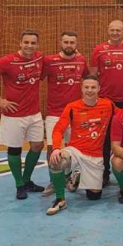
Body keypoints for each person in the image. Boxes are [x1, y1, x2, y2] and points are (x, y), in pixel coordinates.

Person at [0, 29, 45, 200]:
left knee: (38, 146)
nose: (29, 46)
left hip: (35, 113)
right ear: (20, 43)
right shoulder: (7, 61)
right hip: (14, 115)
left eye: (33, 43)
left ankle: (27, 180)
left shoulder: (39, 58)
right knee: (15, 149)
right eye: (26, 42)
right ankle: (19, 184)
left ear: (37, 45)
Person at [45, 76, 116, 215]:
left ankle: (76, 175)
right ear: (82, 89)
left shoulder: (108, 105)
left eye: (93, 87)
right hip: (75, 150)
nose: (90, 90)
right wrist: (56, 148)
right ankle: (60, 199)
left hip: (95, 155)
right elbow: (58, 129)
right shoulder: (72, 107)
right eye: (86, 87)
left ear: (99, 89)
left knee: (94, 196)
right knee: (57, 161)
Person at [90, 20, 123, 186]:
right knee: (104, 140)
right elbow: (93, 77)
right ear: (108, 31)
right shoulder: (99, 50)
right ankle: (104, 173)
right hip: (106, 102)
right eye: (113, 30)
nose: (115, 33)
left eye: (118, 30)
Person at [40, 31, 88, 196]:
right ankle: (54, 181)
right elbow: (36, 78)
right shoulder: (49, 61)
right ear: (60, 43)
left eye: (72, 42)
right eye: (66, 42)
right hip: (55, 112)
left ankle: (69, 177)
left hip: (76, 113)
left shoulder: (81, 60)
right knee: (52, 147)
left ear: (76, 44)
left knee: (73, 147)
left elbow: (89, 80)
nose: (69, 45)